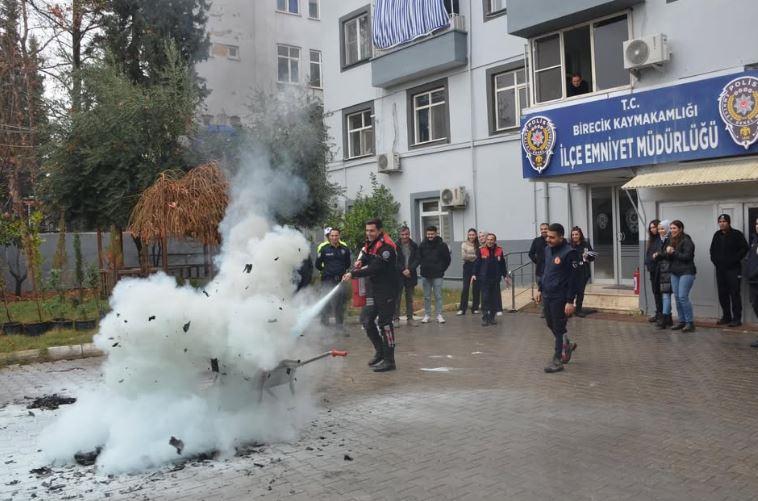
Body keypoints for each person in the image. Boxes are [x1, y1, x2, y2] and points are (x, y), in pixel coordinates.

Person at [343, 219, 398, 372]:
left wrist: (353, 274)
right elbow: (367, 255)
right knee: (366, 320)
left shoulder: (387, 248)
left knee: (385, 324)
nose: (368, 233)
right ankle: (380, 352)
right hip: (374, 288)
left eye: (372, 231)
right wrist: (360, 261)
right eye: (367, 230)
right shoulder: (371, 242)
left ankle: (389, 360)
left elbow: (375, 268)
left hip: (387, 289)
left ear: (380, 230)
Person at [534, 223, 579, 373]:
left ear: (561, 237)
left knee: (559, 328)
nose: (548, 239)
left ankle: (557, 360)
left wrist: (570, 301)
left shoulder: (569, 253)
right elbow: (545, 271)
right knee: (549, 323)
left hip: (560, 296)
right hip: (547, 294)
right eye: (547, 236)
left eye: (552, 237)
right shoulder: (547, 250)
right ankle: (568, 343)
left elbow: (574, 279)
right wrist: (540, 289)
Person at [709, 214, 748, 327]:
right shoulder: (717, 235)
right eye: (720, 221)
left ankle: (737, 318)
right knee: (722, 293)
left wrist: (733, 260)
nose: (722, 223)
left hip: (733, 269)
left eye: (724, 221)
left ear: (729, 222)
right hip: (720, 270)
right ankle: (726, 316)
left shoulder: (737, 234)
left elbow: (744, 248)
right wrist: (715, 261)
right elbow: (712, 250)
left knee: (734, 293)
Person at [315, 227, 351, 335]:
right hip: (327, 280)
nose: (334, 237)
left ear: (339, 236)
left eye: (336, 235)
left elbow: (347, 264)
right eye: (332, 236)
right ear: (329, 237)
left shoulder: (345, 249)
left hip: (340, 281)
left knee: (339, 304)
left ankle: (339, 326)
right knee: (326, 303)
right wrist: (327, 271)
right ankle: (324, 328)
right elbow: (318, 264)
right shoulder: (324, 249)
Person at [667, 220, 697, 332]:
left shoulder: (687, 240)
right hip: (675, 272)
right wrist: (666, 254)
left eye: (674, 228)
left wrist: (673, 252)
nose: (672, 230)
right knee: (677, 297)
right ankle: (681, 321)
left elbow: (687, 256)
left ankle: (690, 323)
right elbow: (671, 257)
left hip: (687, 272)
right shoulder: (672, 240)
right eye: (671, 228)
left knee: (683, 297)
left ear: (680, 229)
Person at [472, 233, 507, 326]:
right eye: (488, 239)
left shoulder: (499, 250)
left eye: (492, 239)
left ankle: (492, 317)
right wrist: (474, 274)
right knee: (485, 298)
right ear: (486, 240)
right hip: (484, 278)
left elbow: (502, 264)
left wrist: (505, 275)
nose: (490, 241)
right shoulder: (481, 250)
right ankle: (485, 318)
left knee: (494, 298)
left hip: (495, 278)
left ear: (495, 241)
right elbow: (477, 263)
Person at [418, 225, 451, 324]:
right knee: (426, 296)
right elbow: (419, 257)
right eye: (428, 234)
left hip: (438, 275)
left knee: (438, 295)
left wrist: (441, 269)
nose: (430, 236)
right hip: (425, 275)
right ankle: (427, 315)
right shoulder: (422, 245)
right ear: (426, 234)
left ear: (436, 234)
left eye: (432, 234)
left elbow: (447, 259)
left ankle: (439, 315)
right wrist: (423, 266)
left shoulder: (442, 245)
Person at [395, 226, 419, 327]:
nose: (405, 236)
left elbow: (417, 259)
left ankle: (410, 318)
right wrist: (403, 270)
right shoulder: (395, 245)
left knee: (409, 298)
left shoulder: (414, 245)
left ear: (409, 234)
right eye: (403, 234)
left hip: (410, 274)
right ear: (399, 235)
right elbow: (394, 261)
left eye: (406, 234)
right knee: (397, 298)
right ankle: (395, 318)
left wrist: (410, 269)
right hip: (398, 275)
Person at [570, 226, 595, 318]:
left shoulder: (586, 244)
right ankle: (569, 309)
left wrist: (587, 256)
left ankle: (578, 310)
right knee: (571, 291)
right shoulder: (569, 245)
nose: (574, 236)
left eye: (576, 234)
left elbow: (592, 257)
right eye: (573, 235)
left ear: (580, 235)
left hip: (583, 272)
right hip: (572, 272)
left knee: (580, 292)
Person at [653, 220, 674, 329]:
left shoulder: (670, 239)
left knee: (667, 296)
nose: (660, 231)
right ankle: (667, 318)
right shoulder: (659, 240)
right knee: (665, 295)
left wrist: (659, 255)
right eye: (659, 229)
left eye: (663, 229)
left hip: (669, 270)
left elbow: (669, 254)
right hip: (661, 271)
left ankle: (666, 318)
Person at [457, 228, 479, 316]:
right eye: (470, 235)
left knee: (476, 288)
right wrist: (475, 256)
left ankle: (475, 308)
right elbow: (464, 256)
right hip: (467, 266)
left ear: (476, 235)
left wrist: (472, 256)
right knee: (465, 287)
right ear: (468, 235)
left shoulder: (478, 244)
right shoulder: (464, 244)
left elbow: (479, 256)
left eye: (473, 235)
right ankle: (462, 309)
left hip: (477, 267)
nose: (471, 236)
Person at [644, 219, 662, 323]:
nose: (652, 229)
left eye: (654, 227)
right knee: (655, 292)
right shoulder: (652, 240)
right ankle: (658, 313)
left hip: (659, 270)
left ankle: (662, 315)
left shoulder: (661, 239)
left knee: (660, 292)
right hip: (652, 270)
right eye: (651, 228)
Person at [745, 218, 758, 348]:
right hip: (754, 282)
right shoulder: (755, 240)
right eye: (756, 224)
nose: (757, 226)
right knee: (756, 306)